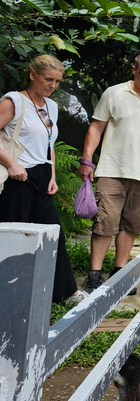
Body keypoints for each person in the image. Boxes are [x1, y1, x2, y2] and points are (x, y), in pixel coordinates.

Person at [78, 53, 140, 295]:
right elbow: (96, 127)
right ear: (134, 70)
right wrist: (87, 159)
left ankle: (120, 273)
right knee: (104, 222)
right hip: (112, 169)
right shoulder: (114, 93)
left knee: (131, 225)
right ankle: (94, 276)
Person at [0, 55, 87, 305]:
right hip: (17, 179)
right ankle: (10, 297)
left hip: (41, 177)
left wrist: (53, 176)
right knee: (13, 238)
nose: (52, 85)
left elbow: (49, 144)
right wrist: (11, 162)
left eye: (57, 81)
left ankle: (65, 293)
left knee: (52, 234)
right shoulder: (13, 101)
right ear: (32, 75)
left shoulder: (51, 106)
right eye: (48, 79)